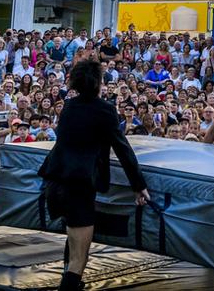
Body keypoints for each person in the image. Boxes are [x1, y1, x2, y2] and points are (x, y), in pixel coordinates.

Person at [38, 57, 149, 291]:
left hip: (55, 181)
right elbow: (122, 148)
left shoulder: (68, 106)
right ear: (99, 83)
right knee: (80, 258)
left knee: (73, 244)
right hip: (78, 186)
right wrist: (138, 185)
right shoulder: (105, 110)